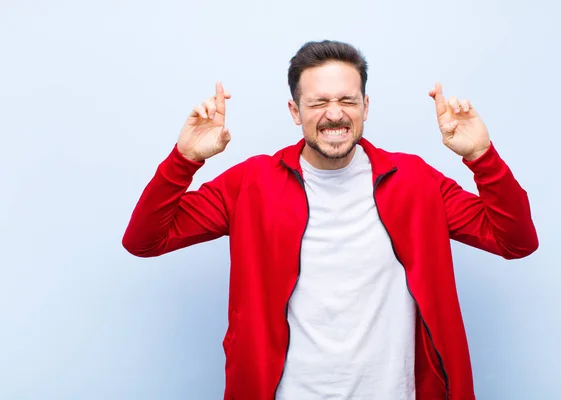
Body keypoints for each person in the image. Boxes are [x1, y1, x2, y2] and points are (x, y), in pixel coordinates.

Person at [122, 40, 538, 400]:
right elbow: (145, 240)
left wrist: (481, 157)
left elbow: (515, 241)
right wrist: (185, 160)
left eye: (347, 100)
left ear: (366, 106)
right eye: (318, 102)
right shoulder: (251, 183)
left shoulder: (415, 180)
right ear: (294, 110)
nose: (334, 114)